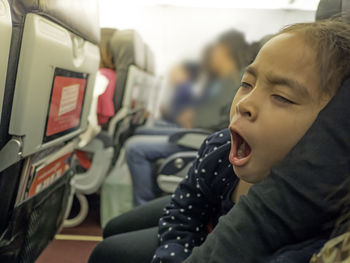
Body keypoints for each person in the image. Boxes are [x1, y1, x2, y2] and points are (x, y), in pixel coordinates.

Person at [88, 18, 350, 263]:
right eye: (246, 84)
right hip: (203, 226)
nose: (245, 103)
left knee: (107, 253)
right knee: (113, 229)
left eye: (282, 97)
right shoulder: (220, 149)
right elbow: (184, 210)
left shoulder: (321, 214)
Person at [124, 29, 254, 206]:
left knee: (134, 148)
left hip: (199, 136)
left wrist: (192, 119)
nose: (211, 55)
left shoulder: (235, 82)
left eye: (215, 50)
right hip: (194, 129)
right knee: (140, 131)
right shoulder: (220, 80)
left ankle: (142, 204)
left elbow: (223, 123)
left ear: (225, 50)